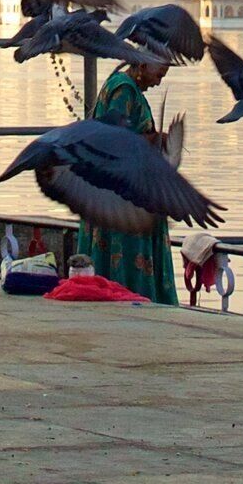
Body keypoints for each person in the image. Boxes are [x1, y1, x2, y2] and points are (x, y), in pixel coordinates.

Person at [76, 56, 177, 303]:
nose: (157, 82)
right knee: (127, 251)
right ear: (142, 66)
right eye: (158, 75)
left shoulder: (120, 85)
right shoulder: (124, 90)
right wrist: (157, 140)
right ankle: (132, 299)